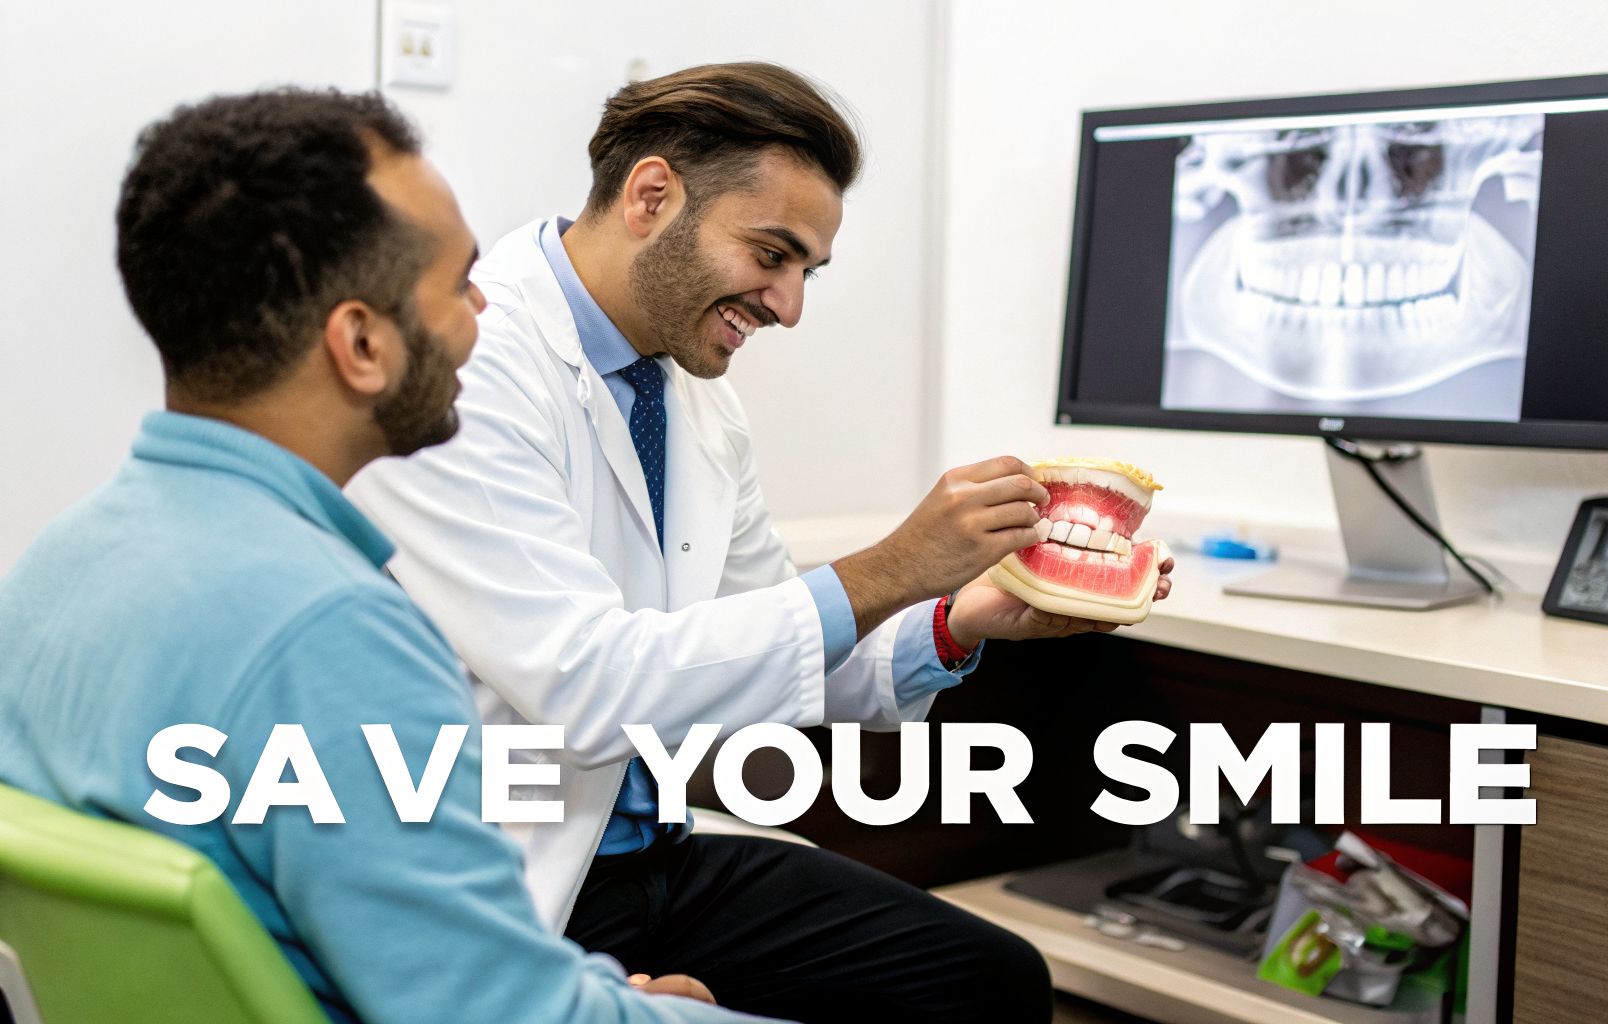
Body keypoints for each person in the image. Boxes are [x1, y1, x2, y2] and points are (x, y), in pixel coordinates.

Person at [348, 61, 1175, 1023]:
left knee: (989, 977)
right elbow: (589, 688)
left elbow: (765, 639)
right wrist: (895, 564)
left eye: (806, 273)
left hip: (647, 855)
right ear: (652, 196)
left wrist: (955, 620)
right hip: (507, 885)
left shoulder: (697, 398)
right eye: (771, 255)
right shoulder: (472, 367)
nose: (788, 307)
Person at [0, 89, 773, 1024]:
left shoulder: (57, 567)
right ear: (362, 343)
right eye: (457, 283)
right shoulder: (335, 633)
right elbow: (497, 1015)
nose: (484, 308)